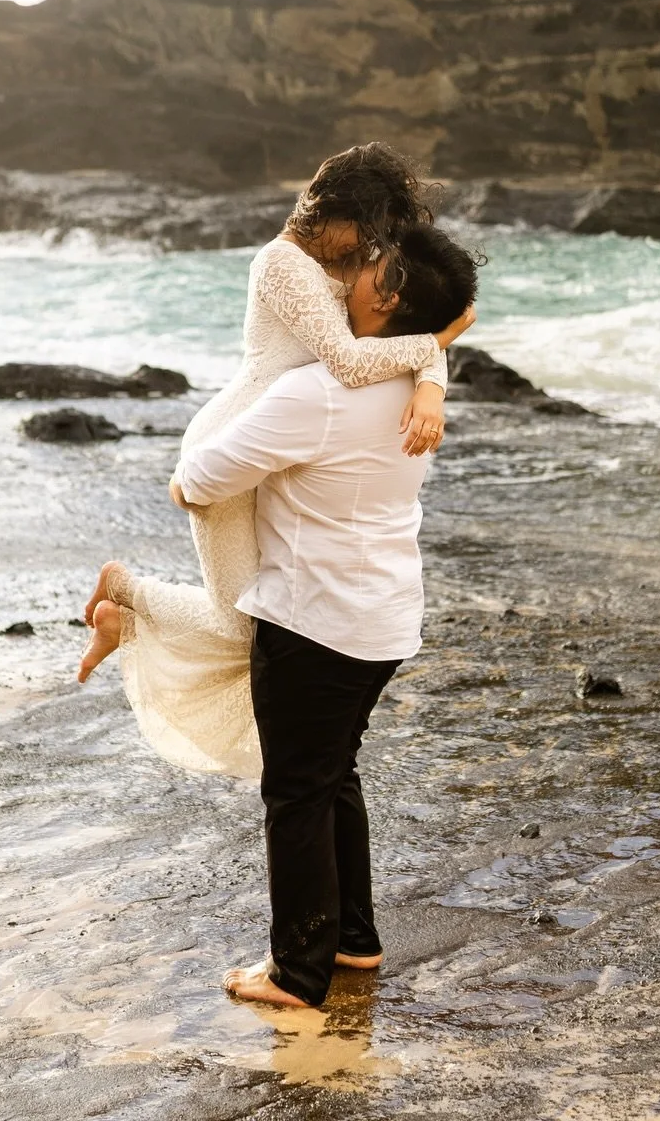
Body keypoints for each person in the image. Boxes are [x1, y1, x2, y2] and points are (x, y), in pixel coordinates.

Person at [78, 143, 475, 781]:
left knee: (260, 625)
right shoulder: (283, 263)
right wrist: (436, 347)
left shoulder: (339, 268)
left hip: (287, 447)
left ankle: (125, 618)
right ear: (332, 208)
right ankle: (126, 600)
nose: (369, 250)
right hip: (231, 444)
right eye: (367, 231)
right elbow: (350, 362)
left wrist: (433, 376)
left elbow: (393, 331)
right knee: (243, 633)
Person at [173, 222, 481, 1008]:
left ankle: (297, 973)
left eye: (373, 263)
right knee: (332, 775)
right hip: (383, 619)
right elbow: (437, 341)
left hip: (314, 621)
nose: (355, 269)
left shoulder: (314, 392)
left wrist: (190, 486)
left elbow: (200, 479)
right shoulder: (415, 393)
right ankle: (353, 940)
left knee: (298, 794)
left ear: (390, 294)